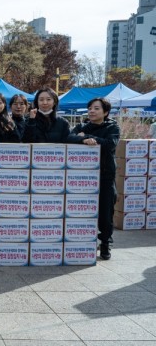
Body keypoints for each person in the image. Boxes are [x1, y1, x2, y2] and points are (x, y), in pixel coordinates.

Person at [67, 98, 120, 260]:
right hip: (82, 177)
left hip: (104, 176)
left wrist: (90, 138)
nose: (91, 111)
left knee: (105, 212)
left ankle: (105, 244)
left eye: (96, 108)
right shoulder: (81, 126)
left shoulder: (112, 127)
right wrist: (82, 138)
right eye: (90, 108)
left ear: (105, 112)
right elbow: (69, 138)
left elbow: (110, 144)